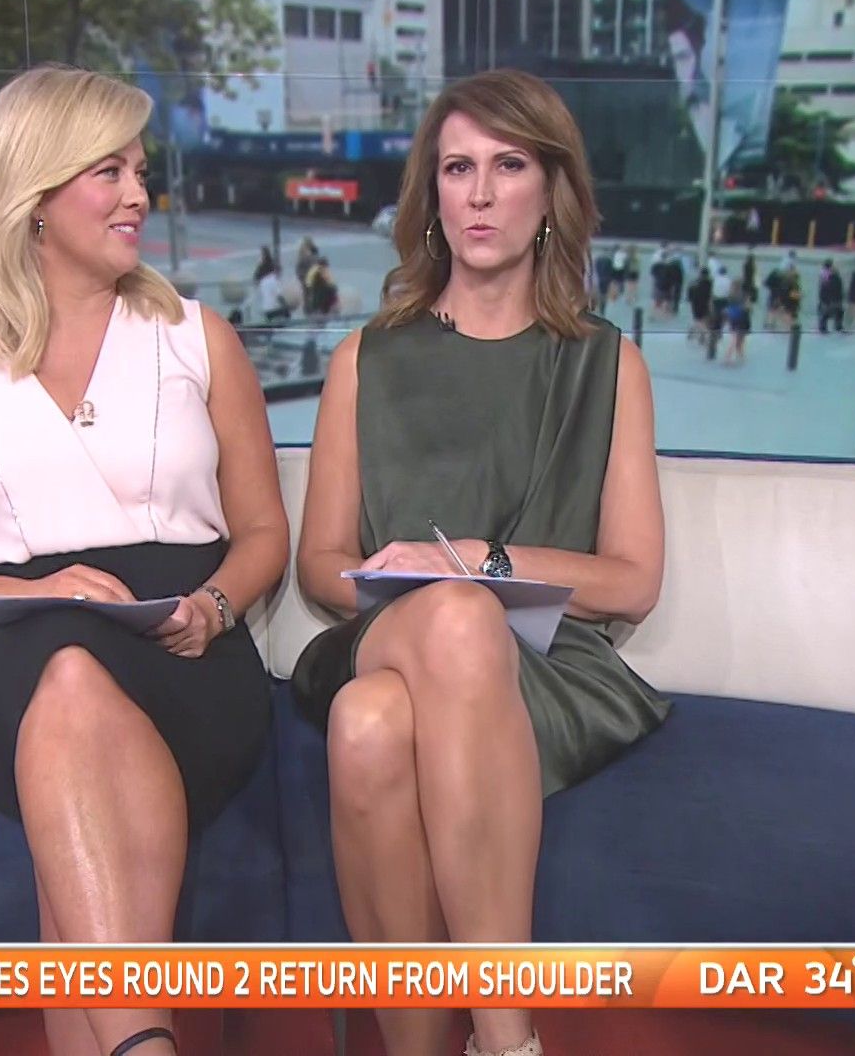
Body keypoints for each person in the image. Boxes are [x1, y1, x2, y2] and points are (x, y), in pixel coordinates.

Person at [0, 66, 287, 1056]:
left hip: (184, 653)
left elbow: (265, 534)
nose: (140, 195)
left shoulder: (198, 340)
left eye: (141, 172)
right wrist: (34, 592)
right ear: (35, 195)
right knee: (66, 679)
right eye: (110, 172)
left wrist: (216, 607)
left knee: (76, 716)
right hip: (2, 656)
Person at [290, 68, 668, 1056]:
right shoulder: (366, 359)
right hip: (385, 634)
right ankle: (508, 1040)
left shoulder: (606, 364)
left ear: (552, 192)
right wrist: (416, 586)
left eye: (509, 166)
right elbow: (319, 564)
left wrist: (476, 560)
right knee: (447, 621)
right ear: (433, 193)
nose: (482, 194)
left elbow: (632, 580)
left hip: (543, 664)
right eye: (458, 169)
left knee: (370, 725)